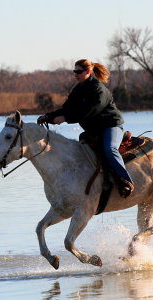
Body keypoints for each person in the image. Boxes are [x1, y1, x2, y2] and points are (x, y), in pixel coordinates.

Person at [37, 59, 134, 198]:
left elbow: (89, 111)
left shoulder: (99, 89)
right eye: (74, 71)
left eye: (78, 72)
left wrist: (65, 119)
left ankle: (126, 181)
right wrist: (48, 117)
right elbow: (67, 108)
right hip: (94, 130)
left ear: (88, 71)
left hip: (111, 126)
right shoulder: (79, 89)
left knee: (109, 149)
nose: (75, 74)